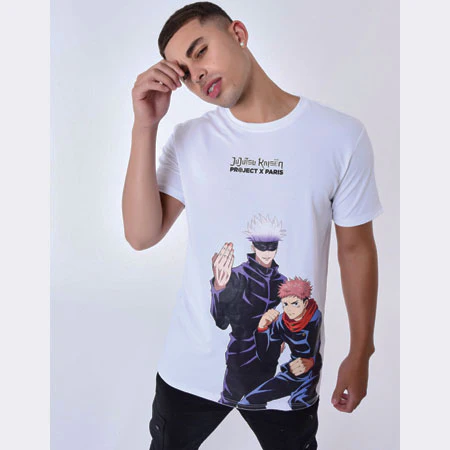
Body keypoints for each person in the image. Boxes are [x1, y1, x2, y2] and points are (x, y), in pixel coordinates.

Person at [122, 2, 383, 449]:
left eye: (201, 51)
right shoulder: (191, 139)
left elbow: (356, 249)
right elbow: (141, 235)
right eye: (185, 72)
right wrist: (144, 125)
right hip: (191, 366)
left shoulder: (340, 136)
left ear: (238, 33)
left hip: (286, 374)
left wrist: (361, 351)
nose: (198, 74)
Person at [210, 214, 287, 405]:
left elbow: (291, 314)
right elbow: (221, 321)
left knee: (259, 406)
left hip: (267, 355)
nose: (267, 252)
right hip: (240, 354)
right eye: (261, 246)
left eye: (272, 246)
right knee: (227, 403)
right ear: (253, 246)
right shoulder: (237, 276)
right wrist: (220, 287)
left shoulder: (281, 281)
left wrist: (281, 337)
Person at [238, 276, 323, 410]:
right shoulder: (282, 322)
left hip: (311, 374)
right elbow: (268, 357)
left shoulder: (315, 317)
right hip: (292, 373)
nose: (289, 309)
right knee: (248, 401)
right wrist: (262, 329)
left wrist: (311, 362)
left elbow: (317, 346)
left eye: (295, 303)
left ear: (305, 303)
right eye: (285, 304)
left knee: (298, 403)